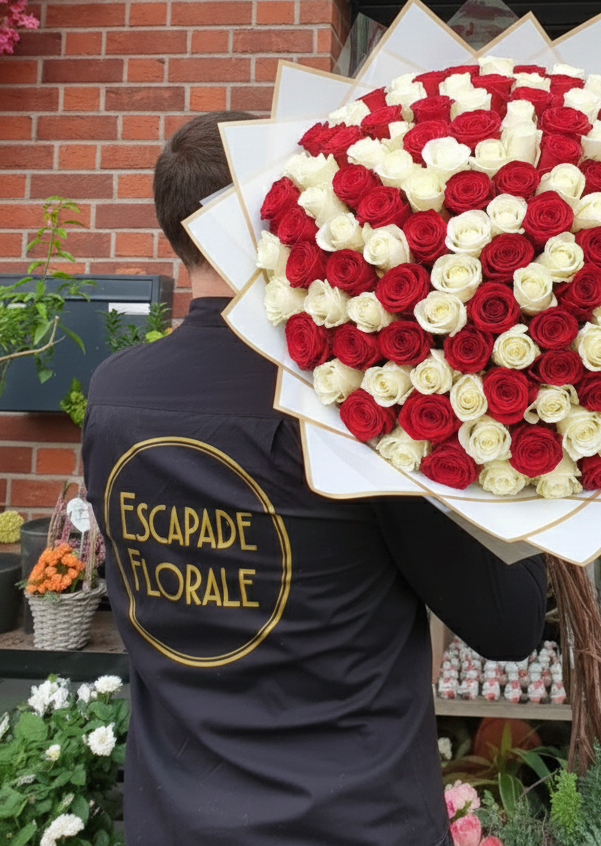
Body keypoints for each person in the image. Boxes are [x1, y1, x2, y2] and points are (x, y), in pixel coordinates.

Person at [82, 110, 548, 846]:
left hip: (174, 818)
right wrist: (527, 460)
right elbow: (508, 622)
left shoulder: (114, 393)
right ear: (282, 212)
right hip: (349, 819)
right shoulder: (349, 405)